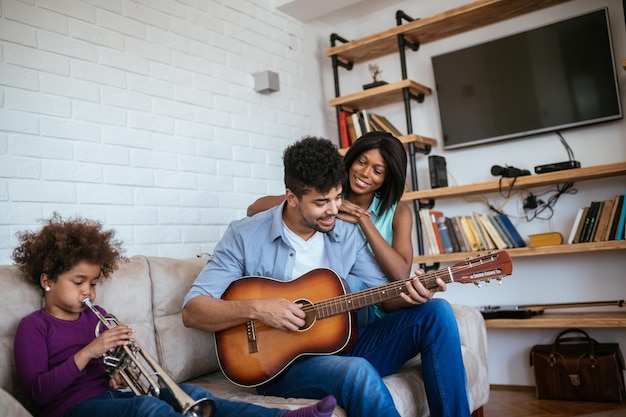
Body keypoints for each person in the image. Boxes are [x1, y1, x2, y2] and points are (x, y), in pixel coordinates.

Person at [182, 137, 470, 417]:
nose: (334, 210)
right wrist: (258, 308)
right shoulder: (244, 236)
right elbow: (193, 310)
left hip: (344, 342)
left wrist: (412, 295)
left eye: (338, 197)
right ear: (291, 197)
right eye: (322, 202)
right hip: (281, 366)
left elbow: (384, 295)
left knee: (436, 312)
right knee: (355, 372)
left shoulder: (347, 233)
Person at [12, 213, 336, 417]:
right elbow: (38, 394)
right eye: (78, 282)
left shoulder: (94, 319)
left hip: (108, 398)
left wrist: (116, 374)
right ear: (47, 281)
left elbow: (103, 377)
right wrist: (91, 351)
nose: (88, 292)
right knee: (147, 407)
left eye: (94, 283)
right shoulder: (34, 327)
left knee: (192, 395)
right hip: (68, 409)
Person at [247, 131, 413, 281]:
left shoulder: (399, 212)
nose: (365, 173)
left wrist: (362, 219)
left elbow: (401, 275)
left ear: (388, 178)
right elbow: (253, 210)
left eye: (377, 171)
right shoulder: (328, 193)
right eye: (362, 162)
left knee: (437, 308)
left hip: (383, 297)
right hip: (337, 297)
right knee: (349, 282)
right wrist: (324, 201)